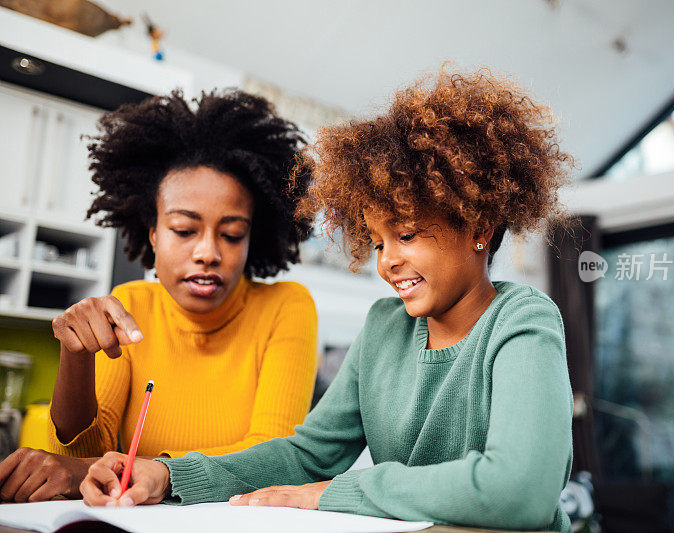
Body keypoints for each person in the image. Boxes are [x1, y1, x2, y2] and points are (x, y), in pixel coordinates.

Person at [80, 69, 575, 531]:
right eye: (378, 242)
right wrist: (170, 477)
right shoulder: (386, 325)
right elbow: (307, 456)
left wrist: (336, 492)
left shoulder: (522, 319)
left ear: (479, 227)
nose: (387, 262)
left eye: (406, 235)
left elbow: (520, 490)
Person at [0, 90, 318, 503]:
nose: (208, 252)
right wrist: (75, 356)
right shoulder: (131, 304)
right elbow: (83, 457)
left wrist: (160, 471)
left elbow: (272, 456)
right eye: (185, 230)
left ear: (251, 240)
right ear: (153, 235)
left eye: (232, 234)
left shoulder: (286, 306)